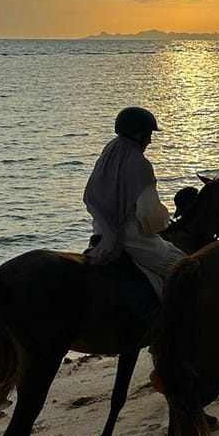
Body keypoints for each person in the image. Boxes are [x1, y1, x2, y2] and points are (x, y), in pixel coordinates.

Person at [83, 106, 186, 295]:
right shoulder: (140, 164)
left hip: (100, 232)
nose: (150, 140)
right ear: (140, 135)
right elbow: (150, 217)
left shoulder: (108, 153)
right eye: (148, 135)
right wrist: (163, 221)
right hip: (134, 241)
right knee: (186, 268)